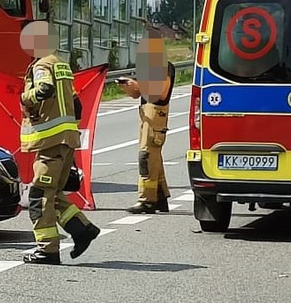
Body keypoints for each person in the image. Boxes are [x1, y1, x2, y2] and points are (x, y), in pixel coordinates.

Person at [18, 21, 101, 265]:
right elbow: (76, 105)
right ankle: (82, 230)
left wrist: (26, 97)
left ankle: (47, 250)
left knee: (39, 196)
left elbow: (44, 89)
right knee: (51, 194)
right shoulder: (61, 64)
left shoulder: (42, 65)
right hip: (65, 140)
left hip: (50, 141)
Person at [117, 32, 177, 214]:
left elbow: (160, 93)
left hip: (156, 116)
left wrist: (138, 85)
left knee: (146, 157)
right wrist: (129, 87)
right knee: (153, 158)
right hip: (146, 115)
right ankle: (159, 196)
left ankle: (147, 200)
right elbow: (138, 94)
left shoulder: (165, 68)